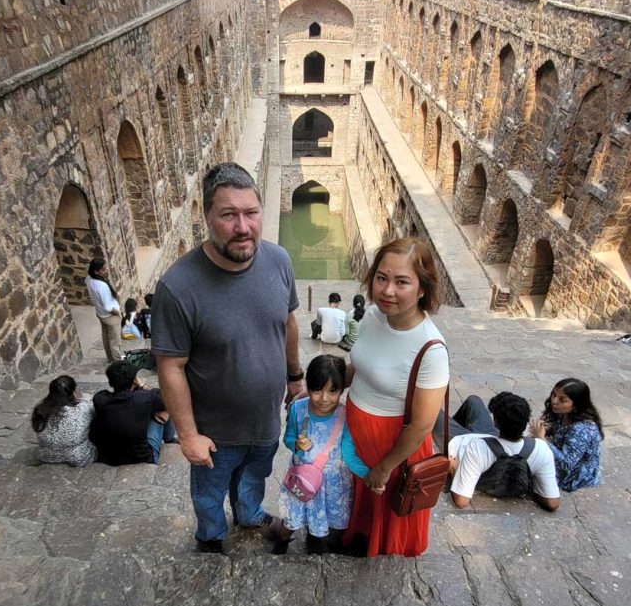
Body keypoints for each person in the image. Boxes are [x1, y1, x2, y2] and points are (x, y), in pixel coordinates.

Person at [151, 162, 303, 554]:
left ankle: (249, 515)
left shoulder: (278, 261)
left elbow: (286, 323)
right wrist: (187, 435)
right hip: (214, 435)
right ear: (207, 217)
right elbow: (171, 366)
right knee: (209, 493)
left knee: (254, 477)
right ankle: (212, 537)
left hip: (265, 421)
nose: (243, 227)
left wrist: (294, 377)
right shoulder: (179, 286)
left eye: (251, 213)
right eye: (228, 215)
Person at [342, 237, 449, 557]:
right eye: (381, 278)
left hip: (391, 445)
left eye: (401, 282)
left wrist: (386, 467)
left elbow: (421, 426)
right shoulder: (374, 316)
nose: (387, 290)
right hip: (356, 432)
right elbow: (361, 364)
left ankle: (384, 554)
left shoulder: (430, 348)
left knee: (385, 506)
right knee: (360, 501)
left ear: (422, 289)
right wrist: (328, 390)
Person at [273, 355, 368, 555]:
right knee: (292, 519)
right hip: (303, 481)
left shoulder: (345, 415)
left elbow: (348, 454)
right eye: (317, 390)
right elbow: (288, 438)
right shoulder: (298, 409)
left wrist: (370, 475)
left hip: (333, 485)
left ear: (342, 390)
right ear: (308, 386)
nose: (324, 398)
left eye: (332, 391)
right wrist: (297, 446)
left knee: (327, 523)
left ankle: (319, 544)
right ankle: (282, 541)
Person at [438, 393, 560, 511]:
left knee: (434, 414)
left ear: (496, 422)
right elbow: (552, 503)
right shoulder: (541, 448)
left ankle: (451, 426)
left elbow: (461, 501)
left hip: (463, 442)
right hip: (496, 438)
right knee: (473, 401)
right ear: (525, 423)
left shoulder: (477, 447)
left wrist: (454, 471)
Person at [91, 360, 175, 466]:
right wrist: (143, 385)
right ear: (134, 381)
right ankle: (169, 439)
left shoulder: (100, 399)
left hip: (111, 458)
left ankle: (168, 436)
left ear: (110, 382)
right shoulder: (144, 398)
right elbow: (169, 397)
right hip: (144, 458)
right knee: (163, 409)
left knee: (152, 407)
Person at [530, 378, 604, 491]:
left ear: (576, 405)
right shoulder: (563, 413)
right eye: (554, 394)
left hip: (576, 474)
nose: (554, 401)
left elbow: (566, 464)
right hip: (562, 454)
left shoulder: (582, 429)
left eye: (562, 399)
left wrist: (541, 438)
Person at [31, 375, 96, 467]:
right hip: (78, 457)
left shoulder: (41, 410)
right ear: (73, 392)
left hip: (46, 456)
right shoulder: (82, 409)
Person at [85, 256, 122, 363]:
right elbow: (108, 307)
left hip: (100, 313)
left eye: (105, 268)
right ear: (96, 272)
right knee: (115, 341)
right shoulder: (102, 286)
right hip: (110, 316)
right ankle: (118, 362)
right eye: (103, 270)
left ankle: (110, 358)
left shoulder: (89, 279)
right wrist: (118, 313)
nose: (106, 271)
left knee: (106, 336)